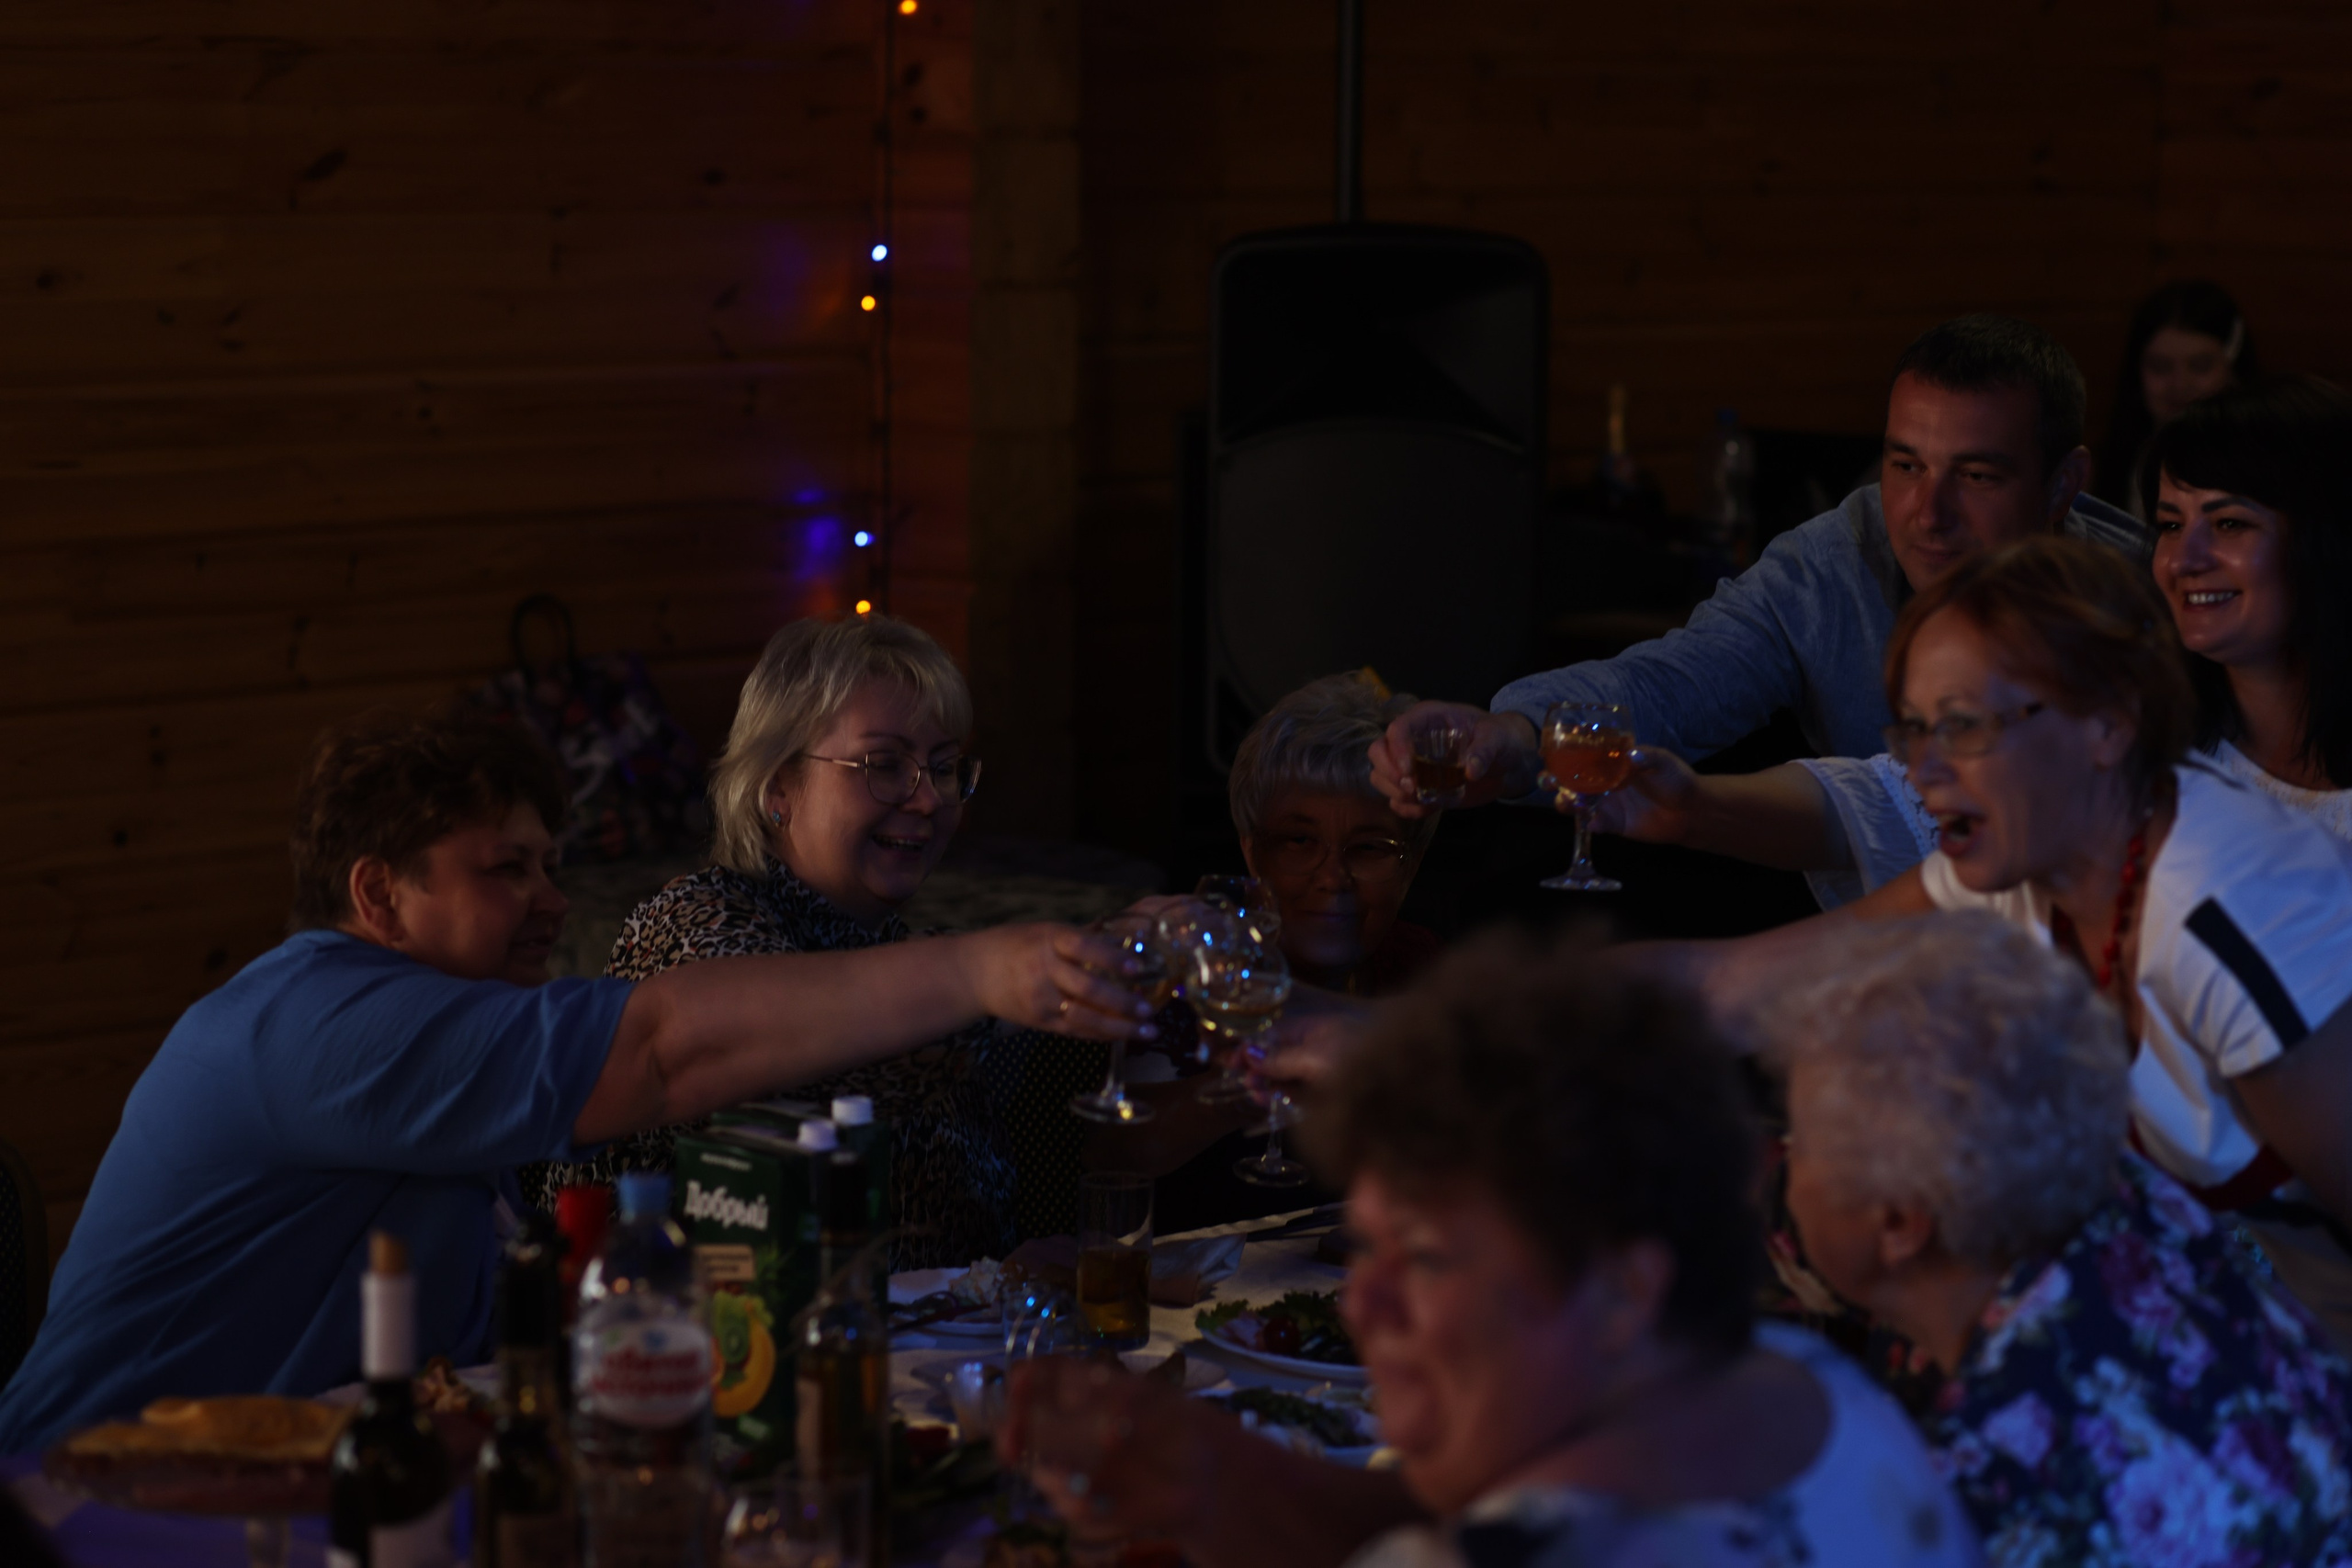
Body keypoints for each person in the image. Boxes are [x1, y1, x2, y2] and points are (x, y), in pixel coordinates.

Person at [0, 706, 1148, 1451]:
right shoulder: (324, 1022)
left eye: (551, 864)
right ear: (377, 895)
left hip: (299, 1486)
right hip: (88, 1511)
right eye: (507, 869)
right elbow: (661, 1050)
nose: (551, 899)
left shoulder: (436, 1034)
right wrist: (980, 967)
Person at [1002, 935, 1982, 1568]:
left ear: (1623, 1289)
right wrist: (1224, 1478)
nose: (1360, 1305)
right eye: (1370, 1247)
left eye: (1426, 1259)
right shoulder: (1813, 1392)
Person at [1642, 536, 2352, 1350]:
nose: (1925, 770)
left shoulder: (2225, 910)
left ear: (2108, 725)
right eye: (1914, 730)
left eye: (1964, 726)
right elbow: (1734, 986)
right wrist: (1508, 1014)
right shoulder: (2034, 864)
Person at [1367, 315, 2150, 907]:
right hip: (1881, 987)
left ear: (2062, 485)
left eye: (1976, 475)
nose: (1925, 512)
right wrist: (1511, 737)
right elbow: (1679, 679)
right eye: (1905, 464)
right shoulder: (1836, 560)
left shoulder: (2146, 605)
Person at [1591, 374, 2352, 892]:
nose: (2183, 559)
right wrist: (1695, 808)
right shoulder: (2134, 723)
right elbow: (1888, 800)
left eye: (2228, 523)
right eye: (2168, 524)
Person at [1764, 913, 2352, 1567]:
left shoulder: (1989, 1488)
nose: (1793, 1164)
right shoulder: (2125, 1197)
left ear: (1900, 1224)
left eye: (1806, 1143)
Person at [523, 614, 1084, 1269]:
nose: (929, 800)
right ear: (778, 787)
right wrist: (998, 978)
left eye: (943, 766)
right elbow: (822, 1082)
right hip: (700, 1354)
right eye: (884, 764)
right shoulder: (692, 924)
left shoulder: (901, 950)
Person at [1066, 672, 1445, 1224]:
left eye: (1370, 848)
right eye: (1299, 841)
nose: (1333, 877)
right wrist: (1253, 1084)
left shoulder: (1420, 966)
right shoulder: (1194, 962)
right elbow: (1117, 1153)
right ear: (1252, 853)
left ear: (1411, 864)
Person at [2095, 280, 2259, 517]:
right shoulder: (2118, 466)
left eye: (2200, 366)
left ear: (2233, 369)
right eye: (2160, 367)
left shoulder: (2264, 468)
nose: (2180, 384)